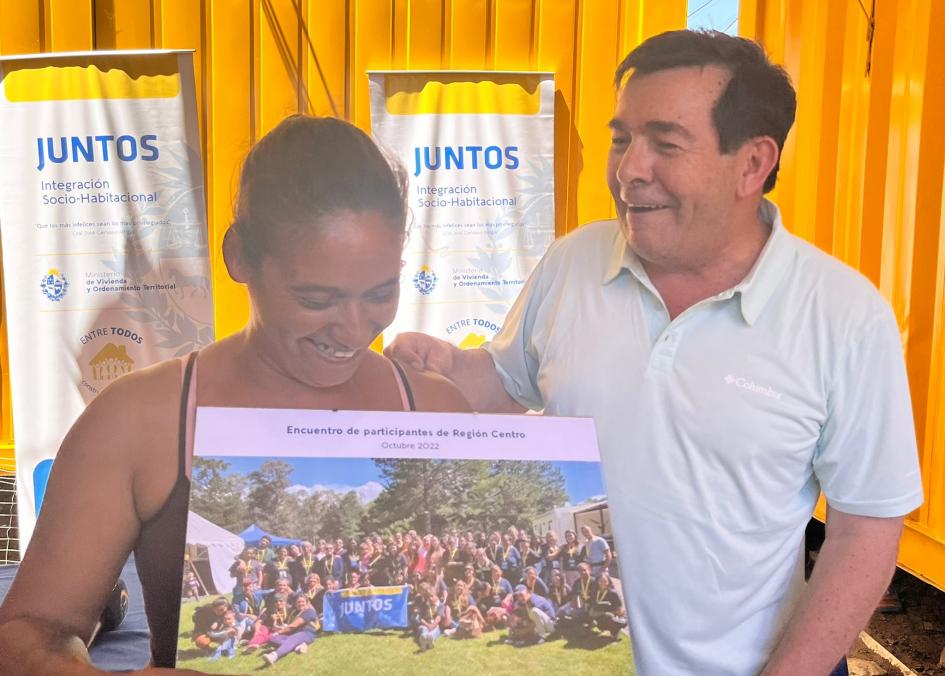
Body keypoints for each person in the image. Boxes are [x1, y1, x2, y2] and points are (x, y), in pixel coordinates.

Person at [388, 29, 924, 675]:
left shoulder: (842, 316)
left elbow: (865, 530)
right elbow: (503, 381)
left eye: (664, 144)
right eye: (621, 138)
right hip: (573, 661)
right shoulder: (573, 263)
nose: (627, 169)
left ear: (752, 165)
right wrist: (446, 371)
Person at [0, 114, 470, 673]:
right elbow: (27, 635)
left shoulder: (438, 411)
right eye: (317, 299)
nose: (352, 329)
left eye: (379, 293)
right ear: (239, 257)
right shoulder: (137, 419)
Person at [261, 594, 320, 666]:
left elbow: (293, 626)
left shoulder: (309, 611)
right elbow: (289, 626)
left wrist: (279, 632)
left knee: (292, 638)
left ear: (307, 603)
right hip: (293, 634)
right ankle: (298, 646)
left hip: (306, 633)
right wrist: (280, 628)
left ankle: (274, 656)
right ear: (295, 604)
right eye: (298, 602)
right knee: (272, 637)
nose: (300, 604)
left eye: (302, 602)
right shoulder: (294, 613)